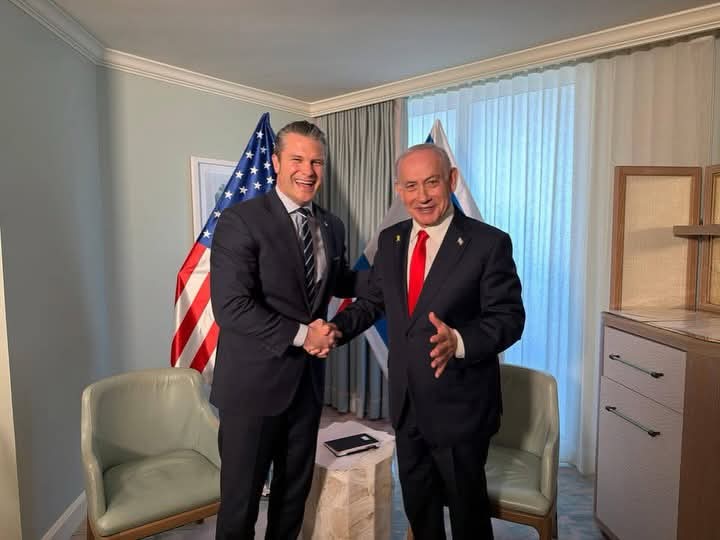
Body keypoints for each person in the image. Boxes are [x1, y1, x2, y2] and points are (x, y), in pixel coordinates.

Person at [330, 143, 525, 540]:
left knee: (468, 517)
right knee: (420, 511)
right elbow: (373, 302)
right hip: (406, 404)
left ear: (451, 180)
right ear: (399, 190)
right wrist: (335, 329)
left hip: (461, 409)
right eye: (411, 186)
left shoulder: (488, 243)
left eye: (432, 183)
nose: (422, 196)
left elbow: (509, 319)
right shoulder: (390, 241)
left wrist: (460, 341)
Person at [209, 121, 358, 539]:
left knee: (292, 500)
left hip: (306, 389)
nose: (307, 171)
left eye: (316, 162)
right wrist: (304, 335)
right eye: (297, 159)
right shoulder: (240, 221)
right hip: (251, 392)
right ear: (276, 162)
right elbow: (231, 307)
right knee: (240, 508)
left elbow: (340, 281)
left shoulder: (332, 225)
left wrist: (395, 276)